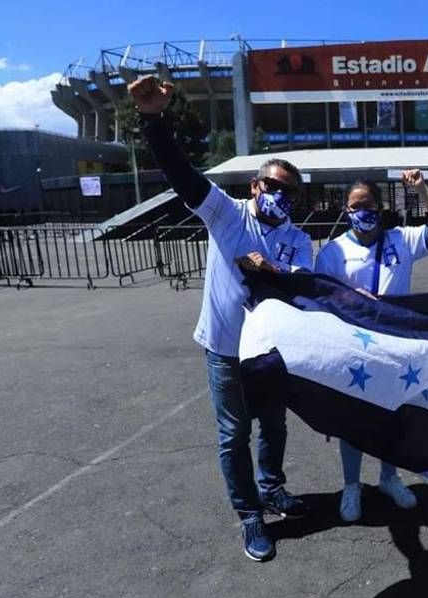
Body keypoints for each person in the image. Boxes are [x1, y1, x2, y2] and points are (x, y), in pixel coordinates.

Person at [130, 75, 313, 562]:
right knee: (233, 434)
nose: (280, 195)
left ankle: (271, 488)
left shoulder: (300, 239)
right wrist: (153, 121)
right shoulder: (227, 214)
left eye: (289, 191)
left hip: (271, 353)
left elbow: (300, 291)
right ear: (255, 186)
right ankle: (250, 515)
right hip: (225, 348)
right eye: (273, 185)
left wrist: (269, 273)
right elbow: (181, 173)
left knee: (273, 427)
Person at [313, 171, 428, 522]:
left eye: (369, 205)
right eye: (356, 206)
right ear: (346, 210)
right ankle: (351, 485)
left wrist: (421, 188)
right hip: (354, 349)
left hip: (394, 347)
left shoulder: (400, 240)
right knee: (353, 420)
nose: (364, 212)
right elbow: (319, 301)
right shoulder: (333, 252)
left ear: (380, 206)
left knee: (394, 415)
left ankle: (389, 478)